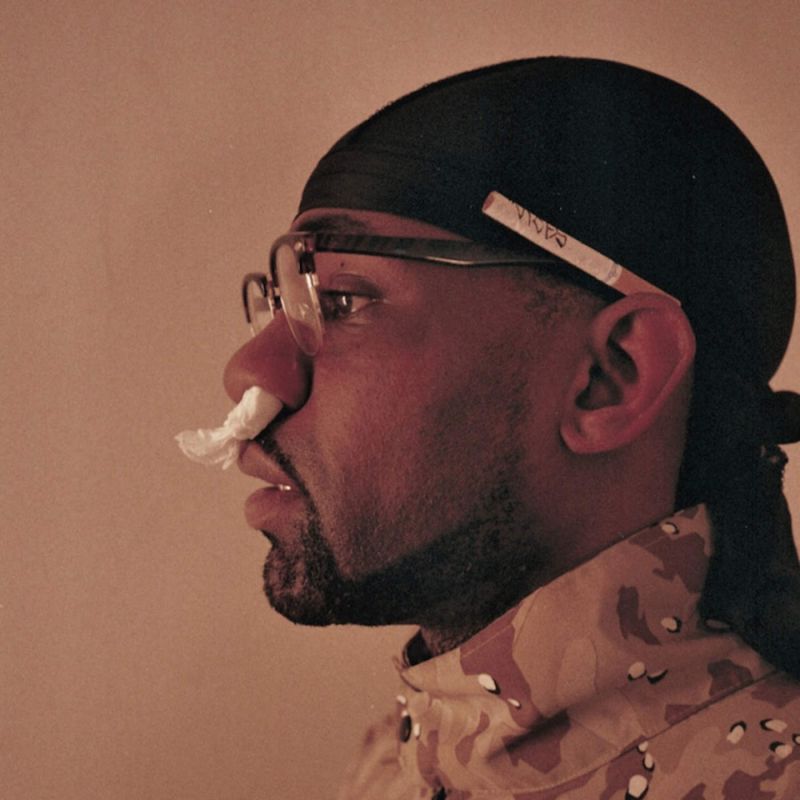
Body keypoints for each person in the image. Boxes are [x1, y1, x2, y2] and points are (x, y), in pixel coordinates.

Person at [222, 58, 800, 798]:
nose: (250, 372)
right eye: (278, 302)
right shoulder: (388, 766)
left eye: (341, 301)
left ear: (612, 377)